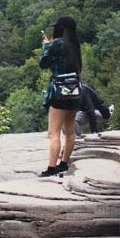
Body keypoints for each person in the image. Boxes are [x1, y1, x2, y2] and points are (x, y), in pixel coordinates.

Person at [39, 16, 82, 177]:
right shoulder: (75, 45)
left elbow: (43, 63)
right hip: (75, 91)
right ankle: (63, 164)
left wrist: (46, 47)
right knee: (70, 131)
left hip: (59, 92)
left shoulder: (57, 43)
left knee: (54, 132)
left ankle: (51, 168)